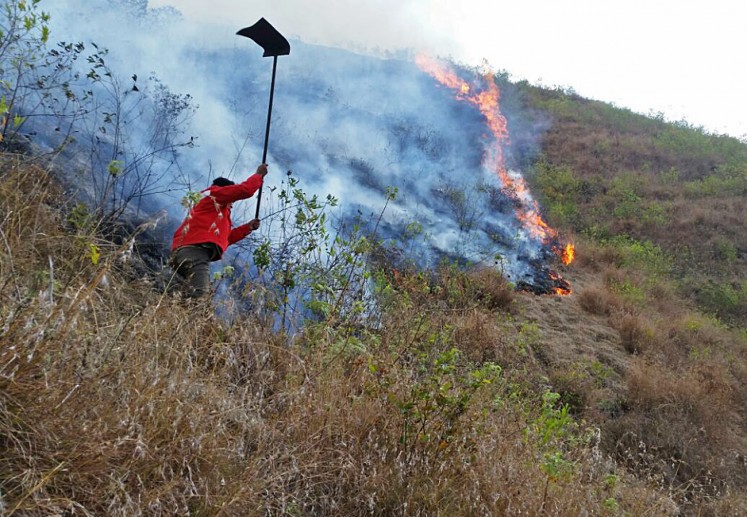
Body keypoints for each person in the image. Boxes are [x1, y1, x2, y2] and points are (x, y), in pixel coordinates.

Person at [169, 164, 268, 297]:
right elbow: (246, 190)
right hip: (194, 253)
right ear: (226, 191)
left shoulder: (215, 214)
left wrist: (247, 227)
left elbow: (226, 239)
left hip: (187, 253)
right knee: (200, 297)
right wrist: (258, 175)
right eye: (231, 197)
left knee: (190, 298)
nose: (232, 203)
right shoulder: (215, 195)